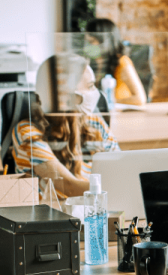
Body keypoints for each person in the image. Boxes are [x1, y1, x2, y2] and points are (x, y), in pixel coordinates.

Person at [9, 54, 120, 198]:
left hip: (94, 211)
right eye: (90, 86)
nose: (95, 93)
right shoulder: (28, 133)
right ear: (65, 96)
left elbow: (120, 168)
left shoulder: (94, 123)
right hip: (52, 216)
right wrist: (120, 189)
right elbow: (69, 187)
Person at [83, 18, 149, 106]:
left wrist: (108, 101)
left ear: (105, 41)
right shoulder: (93, 64)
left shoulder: (122, 62)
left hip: (122, 117)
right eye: (87, 41)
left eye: (91, 41)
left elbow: (140, 99)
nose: (88, 45)